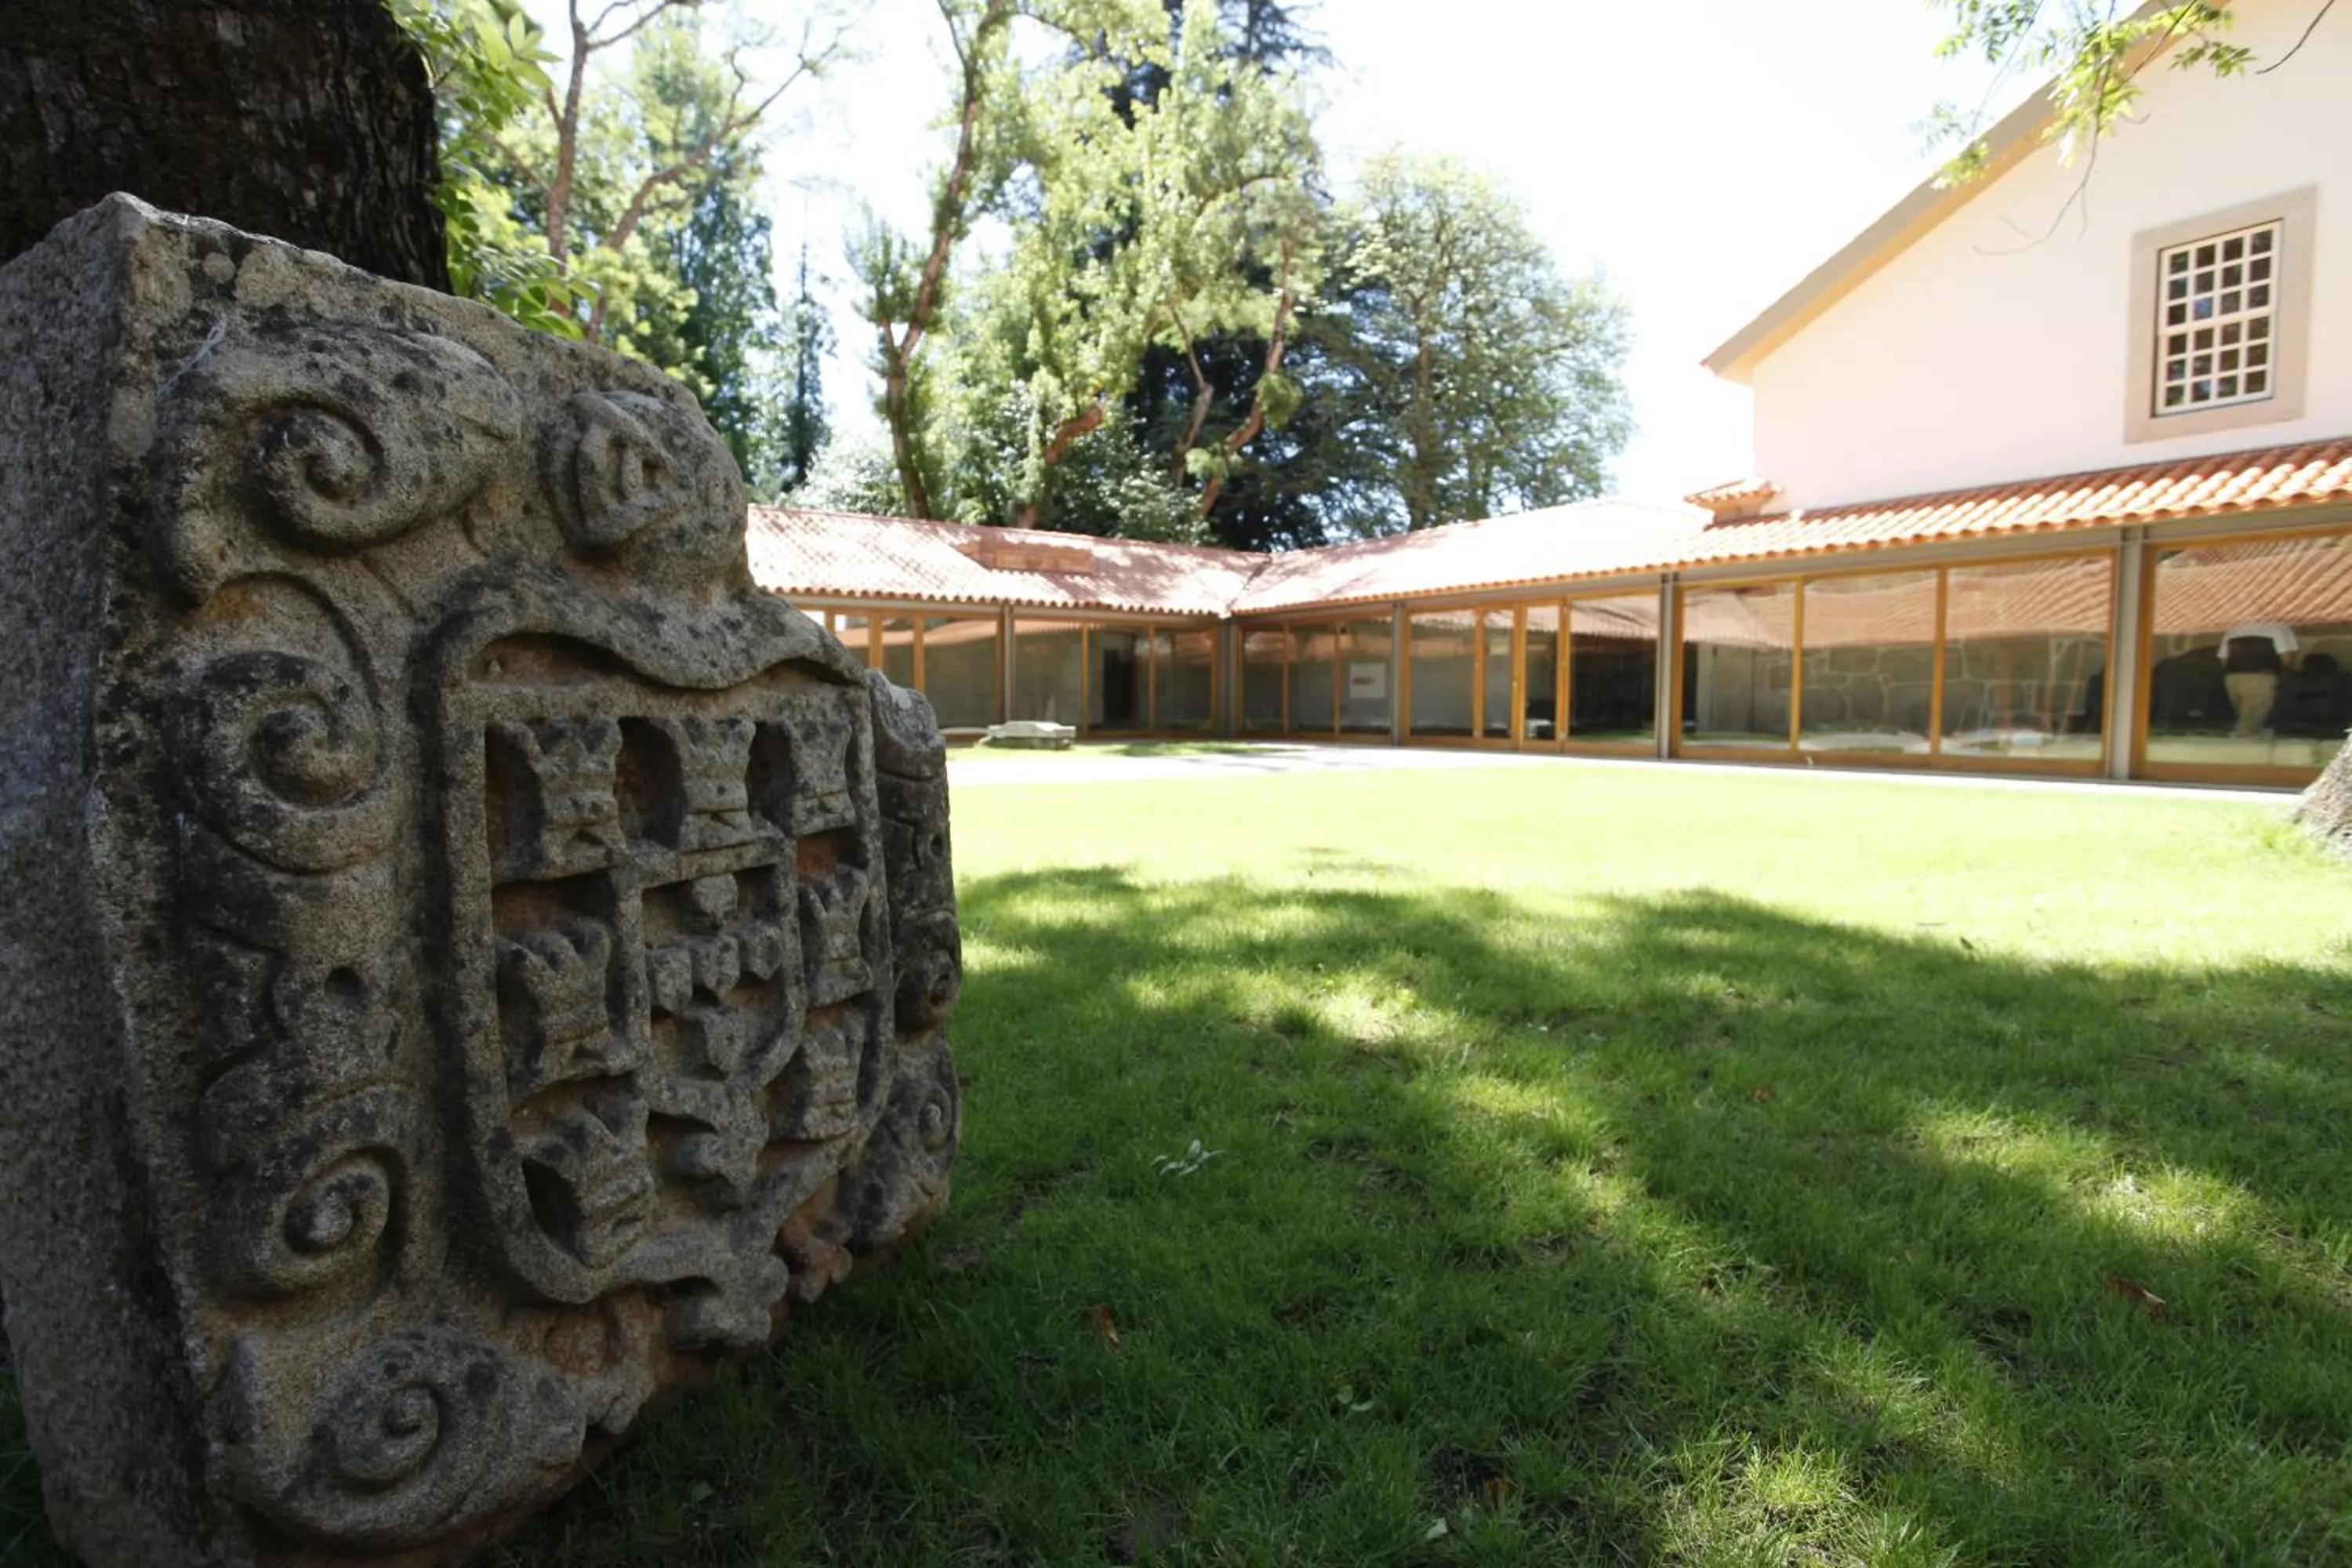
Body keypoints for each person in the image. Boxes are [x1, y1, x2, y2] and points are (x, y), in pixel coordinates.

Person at [2219, 621, 2298, 738]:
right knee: (2251, 723)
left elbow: (2223, 660)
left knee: (2246, 717)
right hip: (2261, 676)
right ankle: (2242, 746)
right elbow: (2287, 657)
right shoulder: (2278, 627)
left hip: (2233, 677)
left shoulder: (2233, 629)